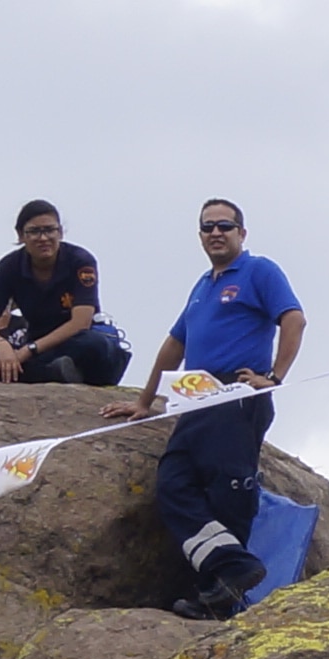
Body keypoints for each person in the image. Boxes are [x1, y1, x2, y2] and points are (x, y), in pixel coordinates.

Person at [131, 200, 303, 623]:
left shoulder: (259, 271)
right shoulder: (202, 286)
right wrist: (143, 400)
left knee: (228, 488)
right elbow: (175, 345)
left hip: (235, 392)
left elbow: (294, 319)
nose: (215, 233)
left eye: (224, 225)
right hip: (195, 396)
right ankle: (230, 568)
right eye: (207, 227)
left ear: (241, 233)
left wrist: (275, 377)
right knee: (173, 483)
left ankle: (225, 591)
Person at [0, 201, 127, 387]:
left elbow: (81, 322)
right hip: (37, 344)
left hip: (72, 340)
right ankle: (50, 373)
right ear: (21, 236)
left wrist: (29, 350)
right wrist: (1, 345)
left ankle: (4, 374)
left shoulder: (80, 260)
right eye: (34, 231)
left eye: (49, 230)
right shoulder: (9, 267)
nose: (43, 238)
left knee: (95, 345)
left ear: (60, 232)